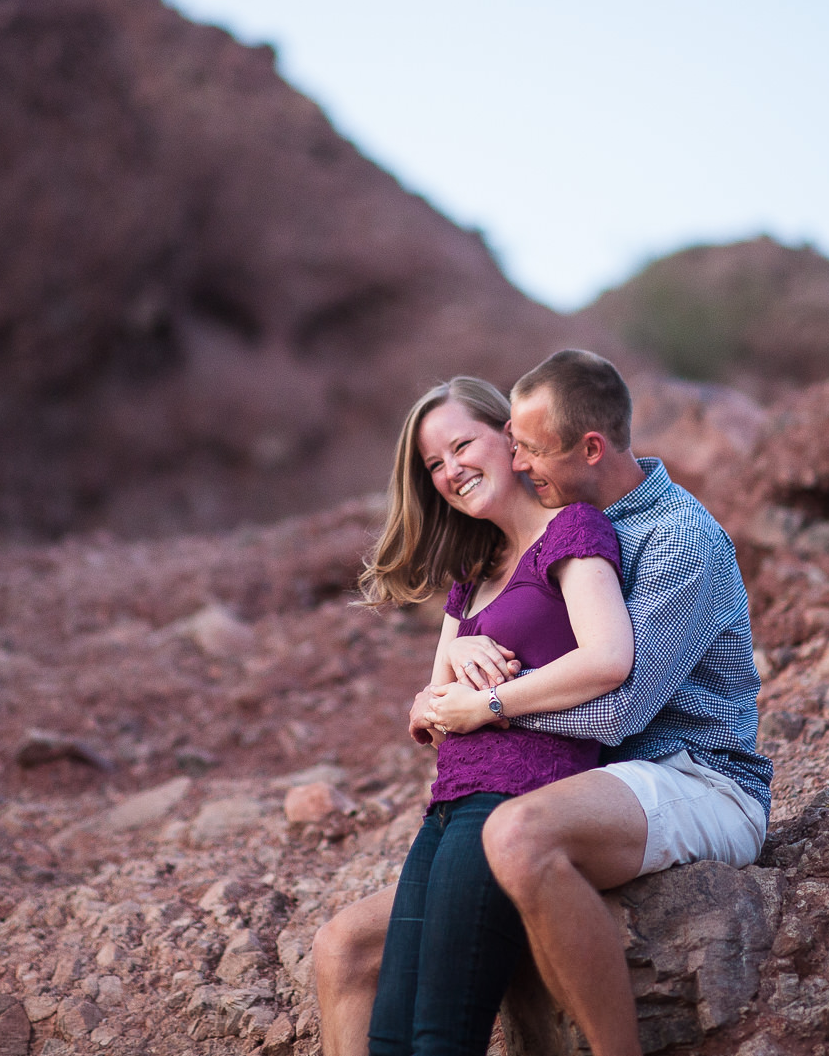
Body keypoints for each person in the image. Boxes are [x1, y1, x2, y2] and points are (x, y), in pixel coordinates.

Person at [314, 350, 773, 1056]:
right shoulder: (565, 529)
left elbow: (621, 706)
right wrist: (447, 684)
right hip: (592, 783)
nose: (521, 465)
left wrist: (486, 703)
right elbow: (499, 660)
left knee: (516, 833)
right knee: (347, 943)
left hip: (696, 774)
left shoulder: (677, 537)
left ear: (589, 447)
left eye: (527, 449)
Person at [355, 375, 635, 1056]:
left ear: (509, 439)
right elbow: (431, 712)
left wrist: (483, 697)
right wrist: (457, 663)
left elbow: (609, 657)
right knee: (391, 1035)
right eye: (433, 464)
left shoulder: (571, 530)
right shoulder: (472, 570)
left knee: (439, 1037)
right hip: (447, 805)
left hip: (514, 798)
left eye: (460, 445)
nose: (450, 471)